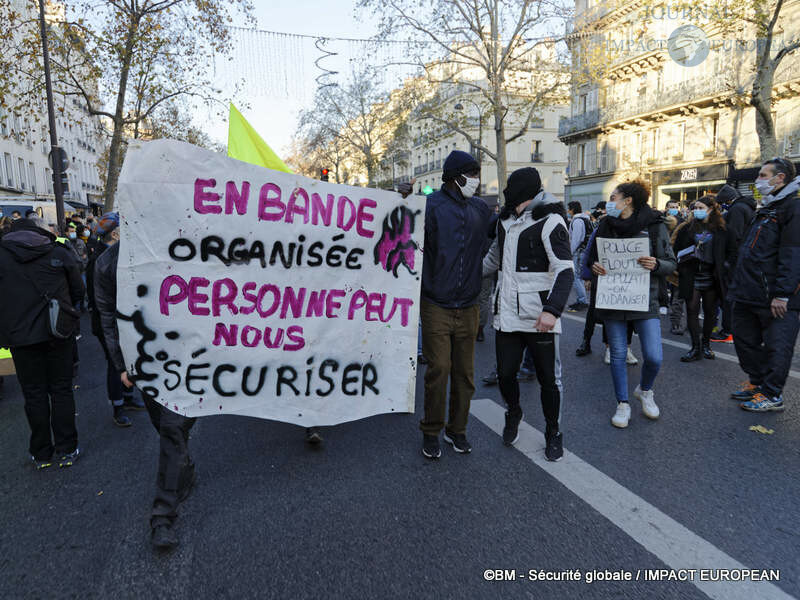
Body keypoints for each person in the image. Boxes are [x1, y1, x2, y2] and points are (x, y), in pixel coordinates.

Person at [93, 223, 197, 550]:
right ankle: (184, 466)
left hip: (190, 356)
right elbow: (107, 315)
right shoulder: (107, 263)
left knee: (172, 425)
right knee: (166, 426)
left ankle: (162, 515)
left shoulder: (186, 245)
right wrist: (121, 364)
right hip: (147, 360)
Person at [483, 168, 573, 460]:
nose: (506, 192)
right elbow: (492, 261)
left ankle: (553, 431)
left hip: (540, 319)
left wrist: (552, 310)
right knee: (506, 374)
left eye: (511, 187)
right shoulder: (504, 221)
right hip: (506, 315)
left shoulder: (551, 221)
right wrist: (457, 276)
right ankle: (514, 411)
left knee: (549, 380)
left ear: (524, 192)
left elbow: (565, 270)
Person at [586, 180, 677, 428]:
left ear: (628, 201)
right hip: (613, 299)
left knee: (654, 356)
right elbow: (592, 259)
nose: (610, 201)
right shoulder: (604, 224)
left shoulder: (655, 226)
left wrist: (656, 264)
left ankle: (645, 390)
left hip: (644, 299)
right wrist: (594, 268)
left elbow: (671, 263)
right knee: (617, 354)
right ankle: (622, 403)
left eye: (614, 197)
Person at [419, 150, 492, 459]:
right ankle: (431, 431)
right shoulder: (429, 207)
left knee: (465, 374)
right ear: (456, 177)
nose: (476, 181)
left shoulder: (481, 209)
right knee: (439, 369)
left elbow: (497, 241)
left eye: (477, 174)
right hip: (436, 302)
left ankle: (457, 430)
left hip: (469, 304)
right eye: (472, 175)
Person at [0, 216, 84, 468]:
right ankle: (67, 448)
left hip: (20, 337)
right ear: (40, 231)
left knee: (33, 394)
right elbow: (78, 290)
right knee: (61, 389)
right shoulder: (58, 252)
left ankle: (41, 452)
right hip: (58, 332)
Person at [727, 157, 800, 412]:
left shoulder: (793, 208)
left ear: (780, 178)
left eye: (762, 175)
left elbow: (793, 254)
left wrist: (783, 294)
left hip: (774, 296)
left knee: (776, 347)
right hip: (748, 291)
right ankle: (757, 382)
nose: (758, 180)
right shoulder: (767, 208)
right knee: (744, 341)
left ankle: (772, 394)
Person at [90, 213, 145, 427]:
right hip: (108, 323)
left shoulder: (115, 255)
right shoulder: (101, 260)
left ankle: (127, 396)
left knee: (123, 362)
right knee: (115, 365)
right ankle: (118, 405)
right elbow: (102, 304)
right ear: (115, 233)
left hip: (116, 321)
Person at [671, 196, 735, 361]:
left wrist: (724, 267)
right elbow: (676, 249)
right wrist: (681, 266)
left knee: (710, 312)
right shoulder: (687, 228)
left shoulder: (723, 230)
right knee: (691, 310)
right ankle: (695, 348)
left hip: (712, 276)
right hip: (691, 275)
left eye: (700, 207)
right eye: (695, 208)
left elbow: (733, 252)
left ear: (711, 209)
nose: (696, 211)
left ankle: (706, 345)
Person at [712, 184, 756, 343]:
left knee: (728, 297)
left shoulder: (736, 210)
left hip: (735, 261)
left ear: (728, 200)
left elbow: (734, 236)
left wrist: (728, 262)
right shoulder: (746, 207)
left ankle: (728, 331)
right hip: (743, 259)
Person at [566, 201, 591, 312]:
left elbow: (576, 239)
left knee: (576, 277)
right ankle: (581, 299)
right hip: (583, 251)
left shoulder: (577, 221)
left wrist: (570, 252)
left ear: (572, 209)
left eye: (569, 209)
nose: (568, 211)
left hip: (579, 252)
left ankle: (582, 301)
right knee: (578, 277)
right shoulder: (585, 219)